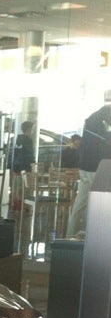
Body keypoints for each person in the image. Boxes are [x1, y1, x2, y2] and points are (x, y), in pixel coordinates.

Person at [66, 95, 111, 237]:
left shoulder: (91, 123)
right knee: (100, 202)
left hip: (84, 168)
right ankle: (97, 236)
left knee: (81, 203)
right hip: (94, 169)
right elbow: (106, 142)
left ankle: (71, 235)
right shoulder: (98, 124)